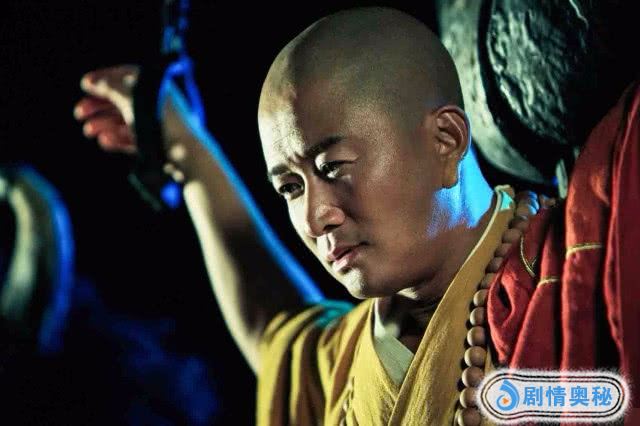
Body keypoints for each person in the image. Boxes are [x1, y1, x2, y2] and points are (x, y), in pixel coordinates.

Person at [73, 7, 639, 425]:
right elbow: (275, 329)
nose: (315, 216)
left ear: (445, 140)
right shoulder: (346, 363)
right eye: (290, 187)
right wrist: (186, 152)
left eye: (334, 167)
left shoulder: (577, 274)